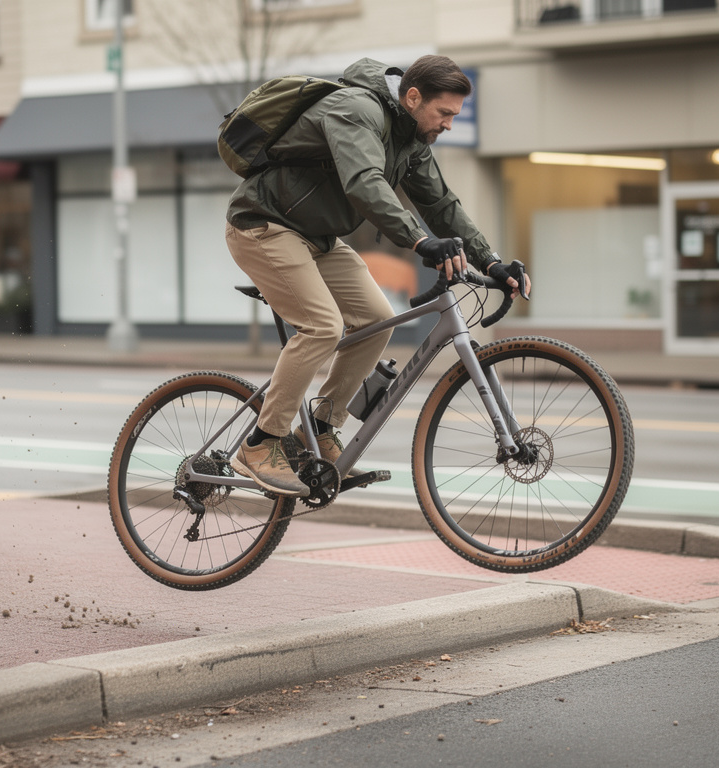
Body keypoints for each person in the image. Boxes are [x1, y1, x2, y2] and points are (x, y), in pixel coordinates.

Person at [224, 54, 528, 496]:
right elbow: (364, 182)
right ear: (412, 96)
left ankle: (319, 430)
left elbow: (441, 206)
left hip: (319, 237)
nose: (448, 124)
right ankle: (261, 443)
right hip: (263, 225)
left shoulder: (411, 141)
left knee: (375, 319)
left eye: (454, 116)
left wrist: (492, 262)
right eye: (444, 113)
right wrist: (420, 243)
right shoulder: (357, 110)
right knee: (322, 326)